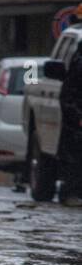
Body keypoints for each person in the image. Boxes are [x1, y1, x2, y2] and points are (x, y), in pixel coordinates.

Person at [57, 40, 82, 206]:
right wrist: (77, 116)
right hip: (76, 125)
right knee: (75, 161)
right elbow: (67, 97)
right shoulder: (78, 64)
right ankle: (71, 193)